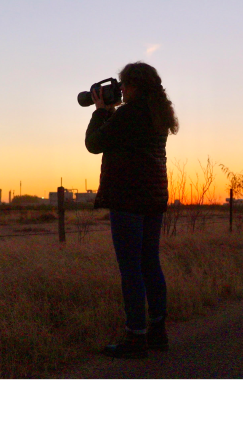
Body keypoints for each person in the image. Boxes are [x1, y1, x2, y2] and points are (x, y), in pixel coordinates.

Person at [85, 62, 178, 359]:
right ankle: (157, 332)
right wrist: (110, 113)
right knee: (150, 262)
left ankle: (135, 338)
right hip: (153, 197)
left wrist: (100, 111)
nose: (121, 90)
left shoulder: (129, 113)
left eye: (123, 85)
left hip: (127, 199)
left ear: (134, 85)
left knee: (131, 268)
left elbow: (94, 143)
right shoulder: (157, 114)